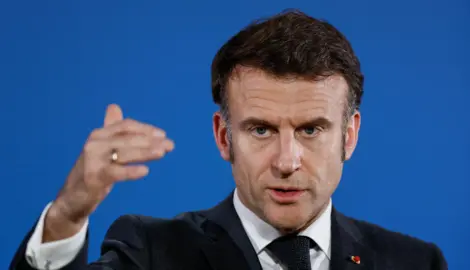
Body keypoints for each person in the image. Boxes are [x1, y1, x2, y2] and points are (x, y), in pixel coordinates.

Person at [9, 10, 447, 270]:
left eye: (311, 129)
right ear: (223, 136)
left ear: (349, 136)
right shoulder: (151, 252)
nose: (287, 161)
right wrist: (67, 216)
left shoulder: (414, 262)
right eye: (261, 129)